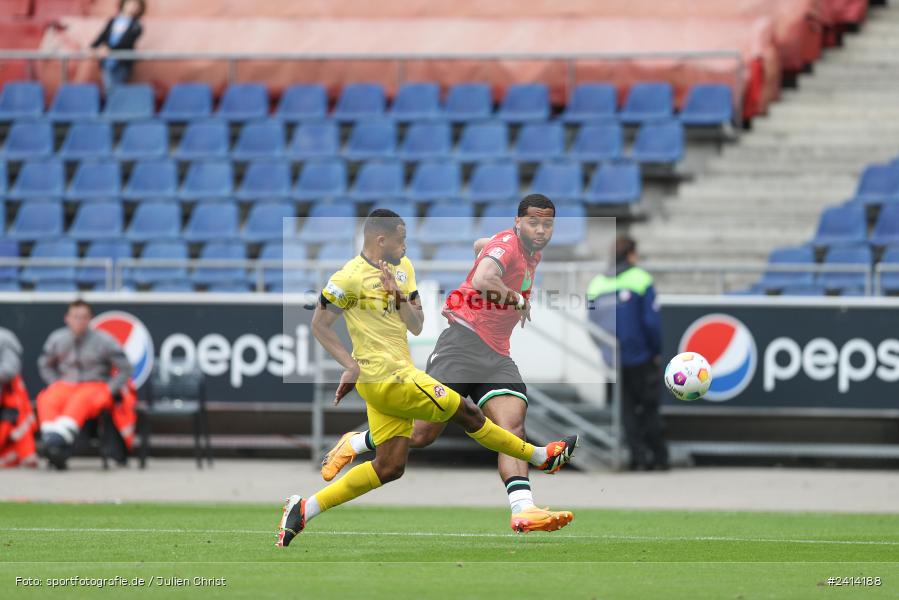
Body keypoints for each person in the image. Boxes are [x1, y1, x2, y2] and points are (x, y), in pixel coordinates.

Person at [276, 208, 578, 547]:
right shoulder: (347, 278)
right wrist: (349, 365)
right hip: (387, 377)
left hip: (403, 373)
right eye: (401, 240)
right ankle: (540, 456)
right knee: (467, 414)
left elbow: (417, 323)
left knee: (390, 466)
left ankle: (305, 508)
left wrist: (398, 296)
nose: (406, 246)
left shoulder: (404, 269)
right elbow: (319, 323)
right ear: (381, 239)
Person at [587, 235, 667, 471]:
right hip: (641, 357)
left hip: (613, 360)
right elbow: (651, 322)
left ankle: (638, 459)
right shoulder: (641, 279)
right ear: (631, 254)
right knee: (649, 408)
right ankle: (659, 459)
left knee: (626, 412)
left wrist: (605, 351)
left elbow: (590, 324)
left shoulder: (596, 284)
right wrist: (656, 350)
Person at [36, 299, 134, 470]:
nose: (79, 321)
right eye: (75, 317)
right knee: (46, 397)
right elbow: (44, 363)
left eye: (83, 317)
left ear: (90, 319)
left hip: (95, 386)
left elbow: (125, 368)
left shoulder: (104, 340)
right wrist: (54, 382)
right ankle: (51, 439)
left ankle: (55, 442)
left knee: (81, 399)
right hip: (66, 384)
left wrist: (110, 389)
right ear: (67, 318)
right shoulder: (57, 338)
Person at [0, 327, 37, 468]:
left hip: (5, 396)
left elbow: (10, 369)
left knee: (16, 389)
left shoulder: (4, 338)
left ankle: (24, 451)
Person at [90, 0, 145, 92]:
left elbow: (127, 43)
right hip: (107, 61)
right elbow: (102, 36)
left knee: (116, 90)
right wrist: (93, 48)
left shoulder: (137, 25)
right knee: (108, 89)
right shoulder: (113, 21)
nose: (132, 7)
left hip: (121, 62)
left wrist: (108, 49)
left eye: (135, 5)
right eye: (130, 3)